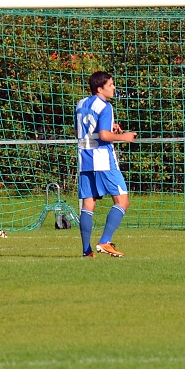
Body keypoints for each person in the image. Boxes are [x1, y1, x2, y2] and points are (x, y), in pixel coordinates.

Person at [76, 70, 137, 258]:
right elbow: (103, 136)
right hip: (102, 158)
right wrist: (122, 137)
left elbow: (87, 129)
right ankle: (105, 241)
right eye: (110, 85)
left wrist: (110, 128)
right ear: (100, 88)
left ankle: (87, 251)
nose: (113, 87)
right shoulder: (105, 106)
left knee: (88, 203)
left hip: (84, 158)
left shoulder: (81, 103)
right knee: (122, 200)